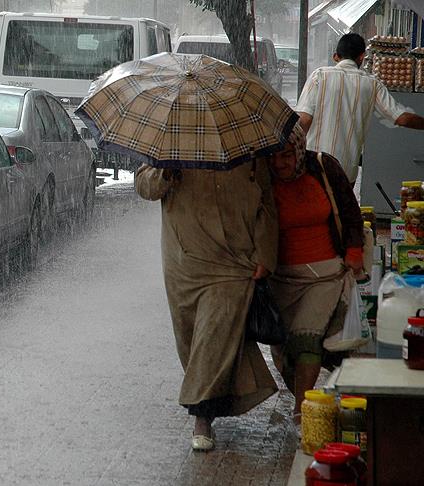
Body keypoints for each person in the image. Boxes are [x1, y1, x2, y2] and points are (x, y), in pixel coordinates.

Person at [135, 159, 279, 452]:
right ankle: (215, 398)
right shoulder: (174, 143)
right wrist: (165, 173)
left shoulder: (247, 145)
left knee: (214, 332)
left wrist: (266, 253)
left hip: (233, 261)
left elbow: (266, 202)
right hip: (185, 260)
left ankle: (201, 415)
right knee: (193, 339)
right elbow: (144, 186)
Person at [266, 125, 364, 422]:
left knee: (307, 339)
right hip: (281, 278)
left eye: (286, 155)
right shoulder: (260, 179)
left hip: (325, 276)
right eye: (273, 157)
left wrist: (354, 251)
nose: (280, 163)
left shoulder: (323, 167)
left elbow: (350, 211)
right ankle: (303, 396)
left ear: (298, 151)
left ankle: (301, 411)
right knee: (283, 348)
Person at [296, 33, 424, 184]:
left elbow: (303, 121)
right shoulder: (372, 83)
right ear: (362, 57)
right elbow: (402, 118)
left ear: (336, 56)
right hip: (345, 172)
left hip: (315, 168)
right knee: (342, 208)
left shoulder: (319, 76)